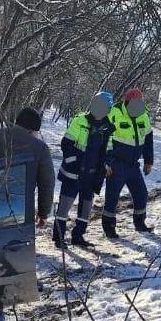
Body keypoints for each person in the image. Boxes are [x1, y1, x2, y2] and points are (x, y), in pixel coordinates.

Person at [0, 107, 56, 228]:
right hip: (19, 212)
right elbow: (47, 183)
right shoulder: (40, 148)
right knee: (14, 245)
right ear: (33, 130)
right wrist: (43, 213)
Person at [52, 91, 114, 248]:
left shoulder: (109, 128)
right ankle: (59, 237)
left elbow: (109, 151)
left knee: (86, 208)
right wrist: (73, 163)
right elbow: (67, 144)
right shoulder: (80, 121)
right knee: (65, 206)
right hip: (73, 173)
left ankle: (78, 236)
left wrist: (106, 165)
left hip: (92, 175)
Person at [102, 88, 154, 238]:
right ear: (127, 102)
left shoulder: (144, 115)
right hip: (116, 164)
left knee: (141, 194)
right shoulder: (115, 113)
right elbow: (104, 139)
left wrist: (149, 161)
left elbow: (148, 139)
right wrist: (107, 162)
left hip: (133, 165)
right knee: (112, 198)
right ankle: (109, 227)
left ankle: (140, 223)